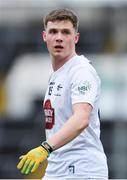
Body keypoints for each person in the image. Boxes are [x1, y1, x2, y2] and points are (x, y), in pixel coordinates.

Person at [17, 8, 108, 180]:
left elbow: (81, 118)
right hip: (58, 168)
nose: (59, 37)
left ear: (76, 38)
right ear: (45, 37)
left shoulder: (81, 71)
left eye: (66, 32)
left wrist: (45, 148)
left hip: (81, 168)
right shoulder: (57, 74)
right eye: (53, 31)